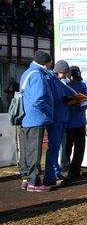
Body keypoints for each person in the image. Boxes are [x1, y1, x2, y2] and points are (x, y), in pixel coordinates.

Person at [19, 50, 54, 192]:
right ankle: (34, 182)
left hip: (27, 118)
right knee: (35, 151)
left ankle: (26, 178)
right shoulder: (39, 76)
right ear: (46, 62)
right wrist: (49, 110)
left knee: (26, 150)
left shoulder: (27, 73)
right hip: (36, 118)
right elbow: (37, 100)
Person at [43, 60, 73, 186]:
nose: (65, 76)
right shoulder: (50, 79)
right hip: (56, 117)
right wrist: (62, 99)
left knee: (57, 147)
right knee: (54, 147)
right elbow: (49, 98)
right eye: (64, 73)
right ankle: (49, 174)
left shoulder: (58, 80)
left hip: (62, 116)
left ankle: (56, 172)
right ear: (59, 71)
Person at [62, 66, 87, 179]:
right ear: (69, 76)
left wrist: (83, 105)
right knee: (67, 146)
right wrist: (72, 104)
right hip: (68, 122)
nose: (76, 81)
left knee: (80, 146)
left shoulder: (81, 85)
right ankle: (65, 169)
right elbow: (62, 101)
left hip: (80, 120)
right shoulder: (63, 85)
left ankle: (76, 168)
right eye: (74, 78)